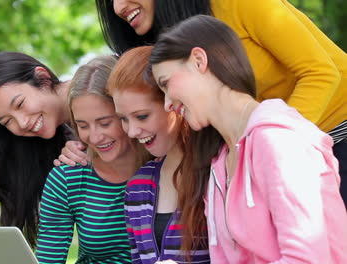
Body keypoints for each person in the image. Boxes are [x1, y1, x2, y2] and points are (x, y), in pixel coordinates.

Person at [96, 0, 347, 205]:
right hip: (282, 157)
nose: (118, 7)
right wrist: (82, 148)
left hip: (334, 136)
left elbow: (321, 73)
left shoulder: (239, 4)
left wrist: (269, 147)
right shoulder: (171, 47)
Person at [149, 15, 347, 263]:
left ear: (199, 61)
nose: (167, 103)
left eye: (166, 84)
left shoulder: (278, 142)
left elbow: (307, 259)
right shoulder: (220, 162)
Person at [35, 55, 150, 264]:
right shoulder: (67, 177)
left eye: (105, 123)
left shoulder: (163, 166)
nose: (94, 137)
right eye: (83, 125)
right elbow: (48, 258)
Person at [106, 46, 210, 264]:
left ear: (173, 102)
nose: (132, 132)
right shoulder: (138, 186)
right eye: (123, 119)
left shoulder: (218, 171)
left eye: (142, 116)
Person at [0, 51, 74, 248]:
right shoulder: (66, 146)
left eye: (19, 104)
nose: (22, 123)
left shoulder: (103, 83)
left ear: (43, 78)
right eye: (7, 121)